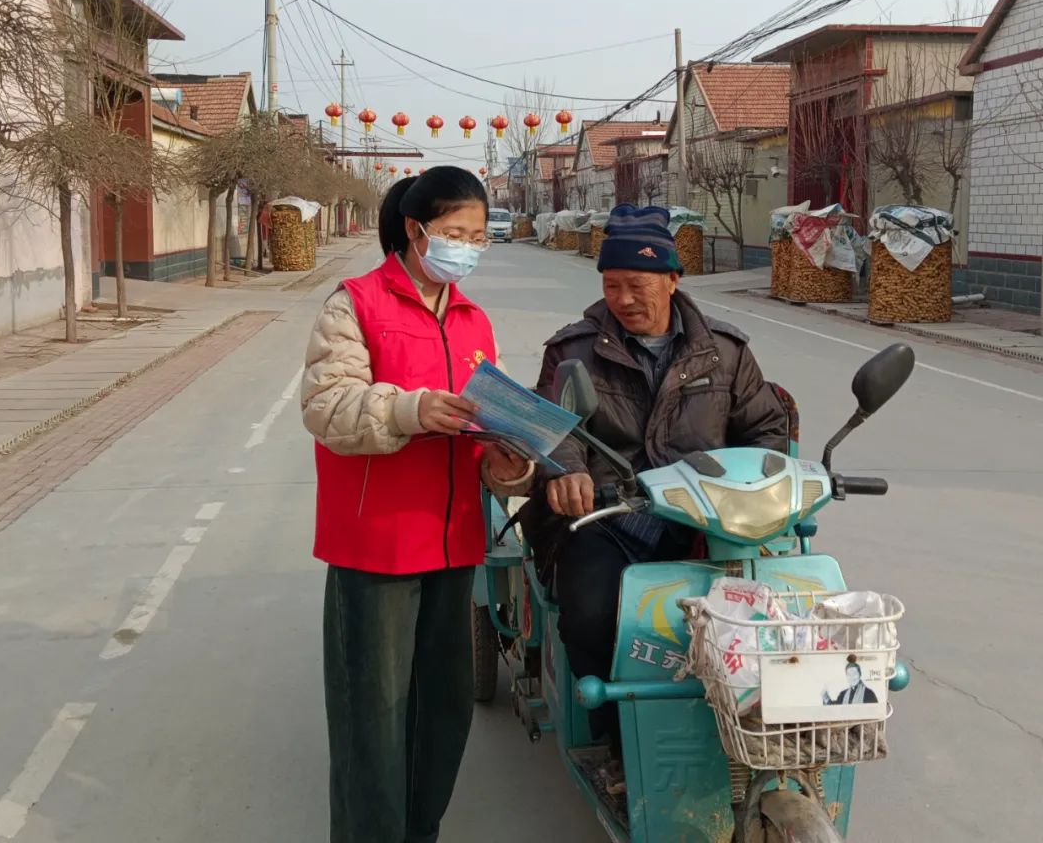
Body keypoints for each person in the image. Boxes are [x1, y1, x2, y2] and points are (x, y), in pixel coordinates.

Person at [301, 167, 533, 843]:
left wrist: (506, 461)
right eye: (455, 233)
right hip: (376, 546)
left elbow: (482, 425)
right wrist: (412, 408)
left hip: (456, 543)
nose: (467, 247)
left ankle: (420, 829)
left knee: (442, 711)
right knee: (372, 718)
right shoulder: (355, 304)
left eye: (478, 237)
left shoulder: (472, 319)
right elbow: (328, 407)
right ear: (415, 228)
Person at [524, 204, 790, 780]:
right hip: (605, 519)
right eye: (612, 285)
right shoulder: (573, 352)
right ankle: (619, 748)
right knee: (594, 615)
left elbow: (768, 431)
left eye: (637, 284)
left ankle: (761, 730)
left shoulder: (725, 351)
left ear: (673, 279)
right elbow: (552, 427)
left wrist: (755, 483)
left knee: (773, 617)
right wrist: (568, 472)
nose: (623, 299)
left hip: (704, 521)